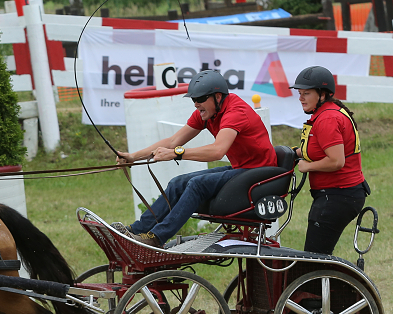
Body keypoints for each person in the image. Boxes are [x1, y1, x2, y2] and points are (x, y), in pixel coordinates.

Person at [114, 69, 277, 247]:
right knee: (177, 183)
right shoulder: (208, 113)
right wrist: (133, 157)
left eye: (200, 99)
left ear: (217, 97)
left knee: (197, 185)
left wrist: (178, 153)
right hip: (242, 169)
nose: (195, 104)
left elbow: (217, 151)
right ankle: (135, 231)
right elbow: (173, 140)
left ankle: (156, 238)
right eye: (193, 100)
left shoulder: (235, 112)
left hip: (260, 174)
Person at [291, 65, 368, 255]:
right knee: (317, 257)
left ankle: (330, 285)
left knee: (314, 258)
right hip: (339, 195)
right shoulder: (328, 113)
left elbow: (336, 161)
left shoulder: (327, 119)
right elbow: (318, 148)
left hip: (337, 196)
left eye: (306, 93)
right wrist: (293, 152)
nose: (300, 98)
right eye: (300, 93)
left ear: (323, 95)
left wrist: (307, 166)